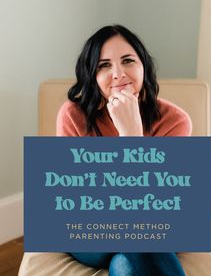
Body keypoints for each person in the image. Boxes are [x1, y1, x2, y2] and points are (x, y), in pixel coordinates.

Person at [57, 25, 191, 276]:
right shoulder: (72, 115)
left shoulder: (175, 120)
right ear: (92, 76)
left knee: (125, 264)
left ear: (144, 67)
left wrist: (132, 134)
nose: (117, 74)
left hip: (151, 232)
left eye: (128, 60)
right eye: (103, 65)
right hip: (89, 233)